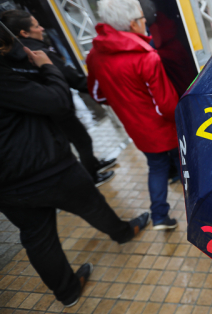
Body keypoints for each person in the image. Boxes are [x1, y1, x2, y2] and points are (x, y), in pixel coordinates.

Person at [0, 26, 149, 308]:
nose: (40, 27)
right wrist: (47, 67)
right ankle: (123, 233)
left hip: (7, 184)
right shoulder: (7, 76)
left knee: (36, 236)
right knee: (92, 204)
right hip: (44, 166)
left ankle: (67, 292)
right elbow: (57, 102)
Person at [86, 0, 180, 231]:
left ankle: (159, 215)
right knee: (185, 163)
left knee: (156, 167)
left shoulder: (95, 55)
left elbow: (98, 94)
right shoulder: (146, 58)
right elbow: (166, 105)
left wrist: (124, 102)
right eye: (142, 17)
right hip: (162, 127)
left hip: (136, 128)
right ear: (132, 23)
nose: (146, 21)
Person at [0, 10, 117, 186]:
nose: (42, 28)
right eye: (37, 26)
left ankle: (92, 164)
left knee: (74, 141)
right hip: (57, 107)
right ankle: (92, 176)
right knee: (83, 141)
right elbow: (71, 77)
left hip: (39, 113)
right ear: (24, 33)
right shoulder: (37, 52)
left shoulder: (7, 57)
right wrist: (107, 92)